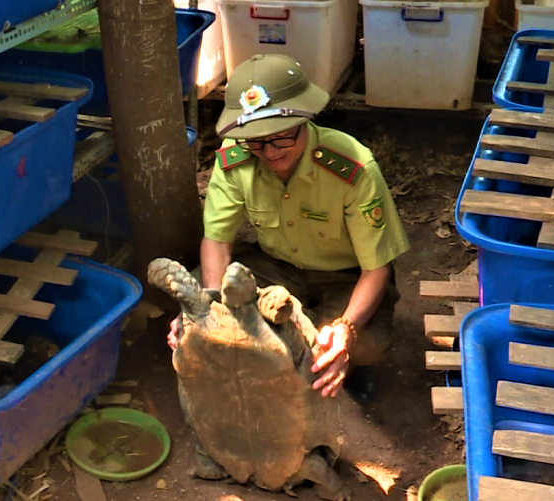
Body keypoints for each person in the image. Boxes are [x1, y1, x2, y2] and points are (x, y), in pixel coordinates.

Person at [168, 53, 410, 403]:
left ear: (305, 118)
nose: (269, 151)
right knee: (195, 301)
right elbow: (217, 243)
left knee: (361, 345)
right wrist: (213, 308)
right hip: (274, 266)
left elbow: (377, 268)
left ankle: (352, 369)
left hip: (344, 275)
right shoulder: (234, 158)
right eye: (255, 140)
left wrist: (346, 329)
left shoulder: (352, 165)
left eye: (281, 136)